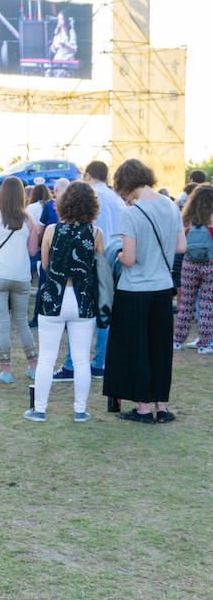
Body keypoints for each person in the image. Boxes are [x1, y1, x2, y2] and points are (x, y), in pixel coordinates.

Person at [103, 159, 186, 424]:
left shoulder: (132, 213)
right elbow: (181, 247)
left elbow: (128, 259)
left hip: (135, 289)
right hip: (163, 289)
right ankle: (162, 407)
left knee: (137, 348)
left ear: (126, 184)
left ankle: (142, 409)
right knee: (160, 348)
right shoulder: (171, 206)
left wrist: (116, 252)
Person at [26, 182, 103, 422]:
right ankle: (80, 410)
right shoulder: (96, 233)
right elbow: (97, 267)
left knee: (47, 357)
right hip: (83, 300)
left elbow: (46, 266)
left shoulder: (51, 230)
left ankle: (40, 409)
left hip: (54, 298)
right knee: (81, 359)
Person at [53, 161, 123, 381]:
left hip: (90, 258)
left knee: (81, 314)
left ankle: (72, 365)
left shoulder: (88, 196)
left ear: (88, 175)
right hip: (114, 257)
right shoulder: (118, 198)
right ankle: (99, 362)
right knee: (104, 311)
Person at [0, 176, 39, 382]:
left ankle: (6, 372)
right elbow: (32, 251)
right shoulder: (29, 219)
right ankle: (33, 367)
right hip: (21, 276)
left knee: (2, 324)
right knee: (22, 323)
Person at [173, 184, 213, 353]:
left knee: (186, 304)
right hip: (210, 266)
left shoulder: (187, 218)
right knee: (207, 305)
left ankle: (177, 340)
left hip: (189, 265)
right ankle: (204, 344)